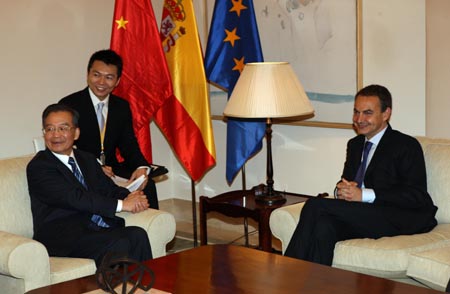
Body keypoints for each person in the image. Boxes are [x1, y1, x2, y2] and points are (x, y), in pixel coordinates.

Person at [284, 84, 438, 265]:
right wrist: (341, 191)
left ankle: (287, 274)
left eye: (367, 113)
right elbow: (346, 182)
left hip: (398, 216)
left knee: (315, 205)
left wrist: (364, 194)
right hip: (364, 215)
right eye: (356, 112)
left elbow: (417, 196)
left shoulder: (406, 145)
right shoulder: (355, 144)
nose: (359, 119)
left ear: (386, 114)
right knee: (324, 226)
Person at [27, 104, 152, 265]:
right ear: (44, 134)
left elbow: (108, 189)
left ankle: (146, 287)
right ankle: (114, 287)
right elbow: (74, 198)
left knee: (137, 234)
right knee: (119, 242)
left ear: (76, 133)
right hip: (62, 237)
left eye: (63, 128)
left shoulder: (86, 159)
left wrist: (132, 197)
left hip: (94, 229)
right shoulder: (39, 166)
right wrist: (122, 205)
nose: (55, 135)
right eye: (49, 129)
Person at [59, 49, 159, 209]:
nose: (101, 82)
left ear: (118, 81)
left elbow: (129, 144)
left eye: (109, 77)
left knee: (148, 185)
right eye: (96, 75)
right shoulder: (69, 105)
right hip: (83, 170)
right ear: (88, 74)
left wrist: (141, 168)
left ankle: (150, 231)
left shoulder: (121, 106)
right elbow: (64, 148)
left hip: (112, 171)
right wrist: (94, 168)